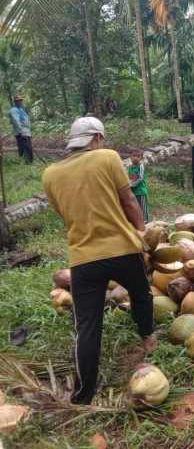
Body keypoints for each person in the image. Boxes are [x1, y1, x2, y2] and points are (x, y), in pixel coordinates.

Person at [42, 116, 156, 405]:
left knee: (88, 325)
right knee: (141, 293)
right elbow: (129, 200)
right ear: (96, 138)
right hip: (122, 249)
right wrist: (142, 231)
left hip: (83, 258)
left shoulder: (50, 174)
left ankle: (83, 395)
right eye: (101, 139)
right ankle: (148, 340)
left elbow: (64, 212)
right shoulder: (107, 158)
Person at [8, 94, 33, 164]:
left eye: (20, 100)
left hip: (26, 131)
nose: (20, 102)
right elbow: (16, 121)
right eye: (18, 101)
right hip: (21, 132)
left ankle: (28, 162)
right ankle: (26, 162)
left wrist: (29, 132)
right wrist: (22, 132)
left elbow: (26, 120)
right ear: (15, 102)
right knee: (25, 148)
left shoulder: (22, 109)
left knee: (28, 147)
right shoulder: (14, 110)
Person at [128, 149, 151, 222]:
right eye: (134, 156)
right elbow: (129, 177)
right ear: (130, 157)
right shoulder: (130, 167)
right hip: (133, 192)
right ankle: (138, 221)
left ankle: (146, 221)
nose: (136, 158)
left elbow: (140, 178)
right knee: (136, 207)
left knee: (143, 208)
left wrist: (131, 185)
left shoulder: (141, 166)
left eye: (138, 156)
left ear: (141, 158)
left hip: (141, 191)